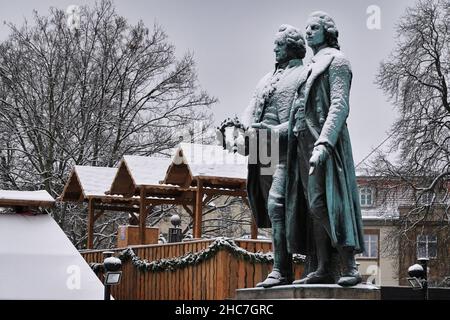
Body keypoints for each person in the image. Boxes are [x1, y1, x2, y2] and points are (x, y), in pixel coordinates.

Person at [285, 11, 365, 286]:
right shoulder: (308, 66)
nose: (308, 31)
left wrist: (324, 144)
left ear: (328, 31)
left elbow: (339, 105)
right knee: (312, 206)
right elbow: (296, 111)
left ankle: (350, 265)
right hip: (302, 143)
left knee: (331, 203)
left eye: (314, 27)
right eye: (306, 27)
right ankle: (323, 266)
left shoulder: (338, 61)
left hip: (326, 144)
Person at [239, 24, 308, 287]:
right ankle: (282, 269)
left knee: (278, 206)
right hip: (263, 154)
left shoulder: (302, 75)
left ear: (291, 47)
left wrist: (270, 131)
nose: (275, 49)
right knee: (271, 209)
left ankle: (282, 269)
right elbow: (250, 114)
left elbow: (301, 121)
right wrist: (240, 130)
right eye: (274, 45)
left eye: (279, 45)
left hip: (289, 154)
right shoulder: (265, 79)